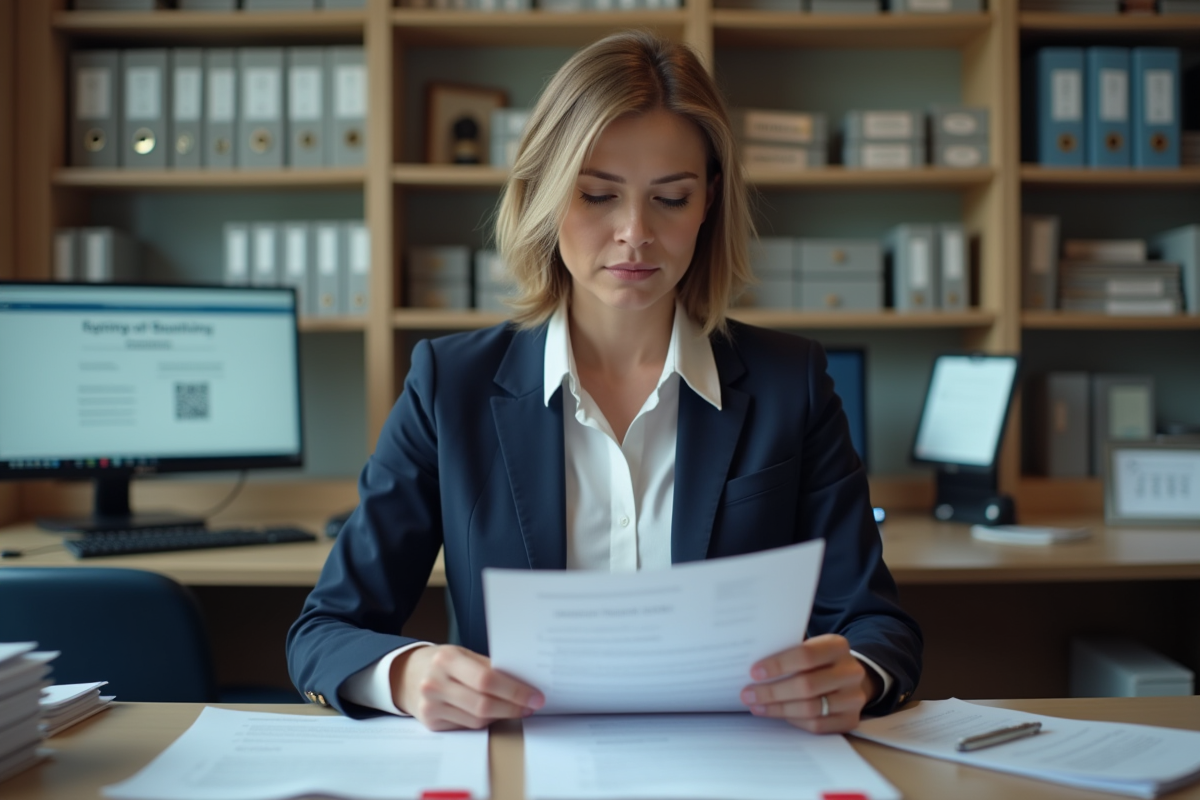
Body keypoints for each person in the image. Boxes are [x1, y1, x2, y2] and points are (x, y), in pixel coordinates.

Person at [287, 30, 922, 734]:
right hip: (520, 762)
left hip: (736, 766)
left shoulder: (790, 383)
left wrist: (856, 674)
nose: (634, 233)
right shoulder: (451, 386)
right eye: (597, 195)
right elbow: (325, 631)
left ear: (709, 202)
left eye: (670, 199)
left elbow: (874, 622)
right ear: (544, 195)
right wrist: (407, 675)